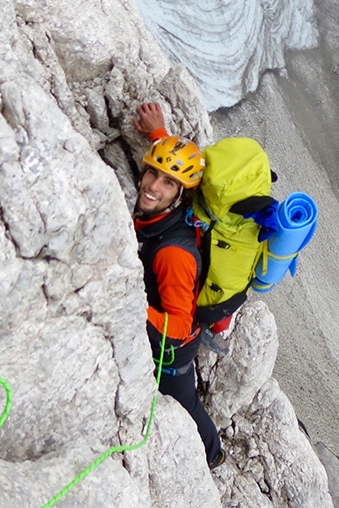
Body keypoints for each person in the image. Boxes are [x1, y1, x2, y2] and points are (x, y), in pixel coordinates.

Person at [134, 133, 225, 469]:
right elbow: (176, 167)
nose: (153, 186)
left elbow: (178, 326)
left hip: (172, 352)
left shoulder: (174, 254)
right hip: (169, 331)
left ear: (179, 195)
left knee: (185, 403)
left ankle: (213, 453)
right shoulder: (163, 215)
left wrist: (130, 306)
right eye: (152, 173)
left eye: (168, 183)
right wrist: (159, 134)